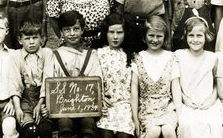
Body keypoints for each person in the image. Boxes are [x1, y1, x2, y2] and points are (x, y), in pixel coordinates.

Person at [41, 10, 103, 138]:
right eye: (67, 30)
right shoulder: (55, 56)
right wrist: (46, 105)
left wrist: (99, 101)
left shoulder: (91, 55)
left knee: (88, 127)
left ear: (82, 30)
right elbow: (47, 82)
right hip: (63, 109)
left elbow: (97, 84)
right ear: (62, 32)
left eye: (76, 29)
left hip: (86, 108)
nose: (72, 34)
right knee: (65, 126)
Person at [172, 17, 223, 138]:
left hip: (208, 103)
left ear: (206, 37)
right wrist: (185, 100)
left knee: (213, 124)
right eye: (191, 35)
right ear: (186, 36)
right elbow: (176, 84)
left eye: (199, 36)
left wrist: (212, 99)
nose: (195, 40)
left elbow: (217, 83)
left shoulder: (212, 57)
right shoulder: (179, 55)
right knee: (187, 124)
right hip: (187, 104)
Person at [130, 16, 177, 138]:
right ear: (144, 37)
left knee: (168, 130)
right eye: (151, 35)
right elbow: (134, 91)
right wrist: (135, 119)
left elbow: (176, 88)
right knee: (154, 131)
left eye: (159, 36)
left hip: (167, 107)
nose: (155, 40)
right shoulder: (138, 58)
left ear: (165, 37)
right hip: (147, 109)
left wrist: (180, 115)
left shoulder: (171, 57)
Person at [9, 21, 52, 138]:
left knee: (45, 128)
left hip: (44, 98)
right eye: (27, 38)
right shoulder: (15, 56)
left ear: (41, 39)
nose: (32, 42)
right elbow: (15, 83)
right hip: (24, 99)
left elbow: (48, 80)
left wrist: (41, 103)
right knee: (30, 131)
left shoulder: (47, 53)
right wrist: (17, 108)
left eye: (35, 37)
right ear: (20, 40)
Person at [95, 13, 135, 138]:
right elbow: (93, 80)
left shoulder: (131, 55)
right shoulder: (98, 54)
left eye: (119, 32)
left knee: (124, 136)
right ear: (105, 33)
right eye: (111, 32)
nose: (115, 37)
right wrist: (100, 98)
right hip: (105, 105)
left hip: (125, 106)